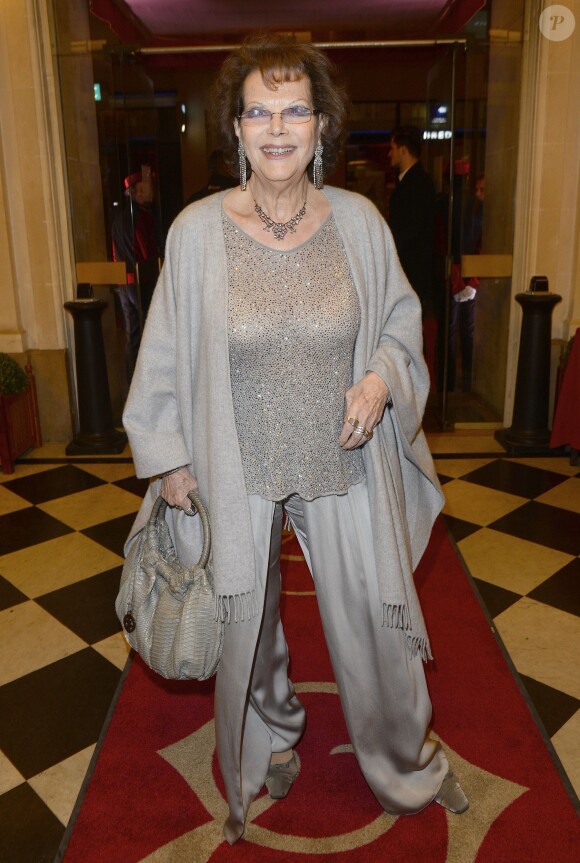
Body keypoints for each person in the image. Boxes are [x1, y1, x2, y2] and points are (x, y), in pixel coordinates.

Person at [122, 33, 468, 845]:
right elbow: (164, 349)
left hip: (342, 457)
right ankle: (268, 736)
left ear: (322, 126)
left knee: (377, 621)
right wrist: (169, 457)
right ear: (235, 127)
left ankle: (402, 760)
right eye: (259, 112)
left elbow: (398, 319)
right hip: (230, 459)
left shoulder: (359, 222)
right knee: (245, 619)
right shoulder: (197, 231)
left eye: (295, 111)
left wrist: (381, 379)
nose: (277, 128)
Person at [388, 126, 437, 386]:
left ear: (403, 150)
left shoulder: (417, 183)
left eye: (393, 148)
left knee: (413, 333)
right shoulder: (414, 181)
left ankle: (413, 385)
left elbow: (410, 232)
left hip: (413, 272)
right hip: (413, 271)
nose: (389, 154)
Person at [111, 166, 159, 382]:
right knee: (149, 331)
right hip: (141, 282)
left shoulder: (118, 218)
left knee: (132, 334)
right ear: (137, 192)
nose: (150, 192)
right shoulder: (141, 217)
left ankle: (131, 379)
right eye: (145, 188)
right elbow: (148, 254)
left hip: (123, 282)